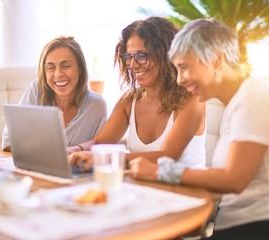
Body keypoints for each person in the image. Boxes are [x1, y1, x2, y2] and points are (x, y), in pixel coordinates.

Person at [130, 18, 269, 239]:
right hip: (240, 225)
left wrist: (161, 171)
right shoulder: (236, 103)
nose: (179, 79)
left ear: (217, 60)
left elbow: (234, 179)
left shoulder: (255, 96)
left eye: (184, 67)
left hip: (264, 227)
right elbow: (222, 184)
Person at [69, 16, 206, 172]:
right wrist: (75, 150)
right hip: (144, 188)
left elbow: (166, 156)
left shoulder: (191, 99)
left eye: (141, 56)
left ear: (166, 55)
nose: (133, 65)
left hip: (189, 193)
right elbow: (100, 144)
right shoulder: (129, 101)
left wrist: (107, 158)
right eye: (129, 57)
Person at [2, 36, 107, 151]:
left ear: (80, 69)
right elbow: (8, 141)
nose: (58, 74)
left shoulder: (96, 105)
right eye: (51, 68)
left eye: (66, 66)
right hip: (34, 168)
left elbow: (101, 150)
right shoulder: (36, 90)